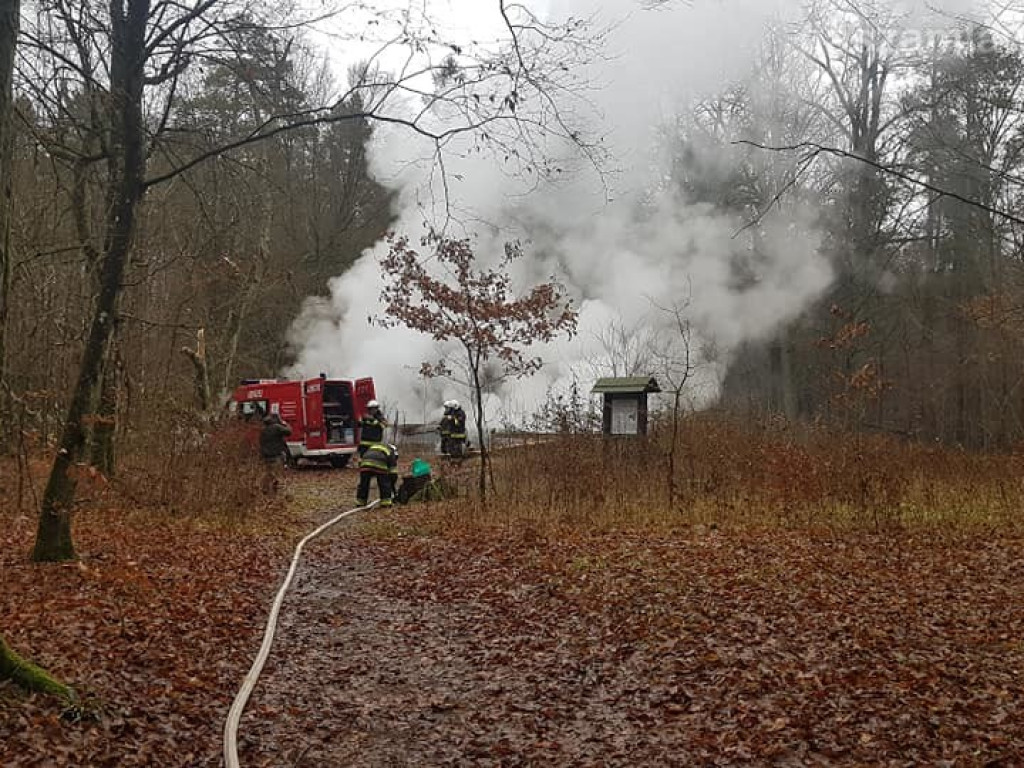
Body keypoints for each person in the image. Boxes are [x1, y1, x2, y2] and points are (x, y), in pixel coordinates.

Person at [356, 442, 398, 508]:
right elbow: (393, 471)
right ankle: (386, 503)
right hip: (379, 463)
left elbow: (365, 455)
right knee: (384, 483)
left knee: (364, 484)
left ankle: (360, 502)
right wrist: (392, 482)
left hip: (364, 463)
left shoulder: (375, 447)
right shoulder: (391, 451)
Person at [259, 412, 292, 494]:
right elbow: (289, 432)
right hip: (276, 455)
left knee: (269, 474)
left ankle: (266, 490)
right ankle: (274, 492)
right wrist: (285, 424)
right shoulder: (276, 427)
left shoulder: (263, 431)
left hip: (266, 456)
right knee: (277, 475)